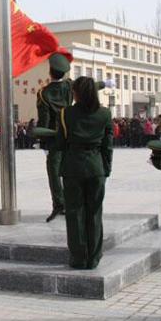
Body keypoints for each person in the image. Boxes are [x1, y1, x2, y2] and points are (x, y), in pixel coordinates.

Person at [37, 53, 111, 222]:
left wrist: (43, 141)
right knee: (70, 171)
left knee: (54, 172)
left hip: (54, 138)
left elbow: (44, 121)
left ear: (50, 72)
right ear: (64, 72)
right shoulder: (70, 86)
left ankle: (59, 204)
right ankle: (72, 202)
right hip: (71, 132)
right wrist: (104, 83)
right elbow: (89, 87)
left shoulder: (43, 93)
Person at [56, 76, 113, 269]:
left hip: (73, 167)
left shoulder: (66, 113)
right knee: (94, 213)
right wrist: (106, 169)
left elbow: (60, 143)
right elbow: (108, 146)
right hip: (96, 167)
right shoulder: (104, 114)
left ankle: (78, 257)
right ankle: (94, 257)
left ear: (77, 93)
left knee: (74, 213)